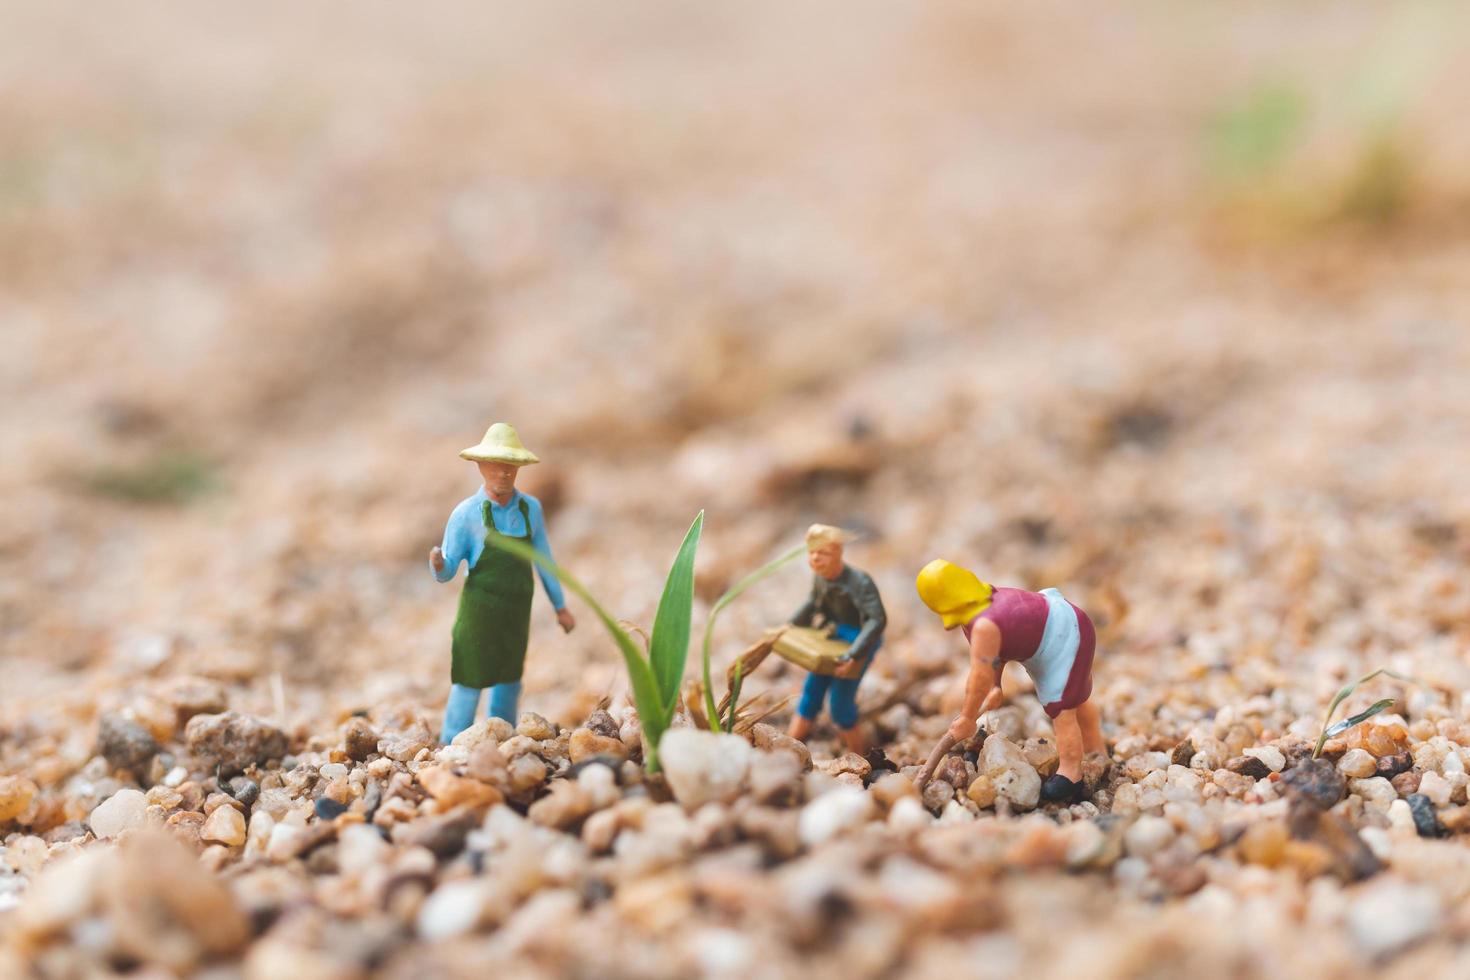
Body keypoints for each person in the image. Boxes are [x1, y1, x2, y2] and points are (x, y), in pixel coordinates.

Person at [430, 422, 575, 744]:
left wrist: (560, 605)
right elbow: (449, 568)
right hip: (479, 613)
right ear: (481, 467)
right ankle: (452, 740)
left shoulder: (530, 510)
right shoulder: (466, 514)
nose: (503, 475)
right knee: (469, 678)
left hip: (516, 610)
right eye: (496, 468)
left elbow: (545, 560)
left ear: (519, 469)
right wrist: (439, 564)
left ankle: (505, 736)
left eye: (509, 468)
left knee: (509, 679)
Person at [915, 558, 1103, 803]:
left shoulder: (983, 625)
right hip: (1044, 635)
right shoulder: (974, 615)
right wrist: (996, 685)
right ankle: (1096, 746)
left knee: (1062, 705)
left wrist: (967, 717)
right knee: (1072, 693)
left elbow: (978, 674)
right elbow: (993, 655)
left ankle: (1072, 773)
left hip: (1062, 633)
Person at [786, 524, 886, 754]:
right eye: (812, 552)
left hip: (860, 639)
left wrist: (855, 654)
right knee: (812, 690)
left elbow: (876, 620)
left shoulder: (860, 582)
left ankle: (861, 757)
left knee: (840, 703)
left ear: (838, 553)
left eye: (823, 553)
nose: (816, 558)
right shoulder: (821, 578)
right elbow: (813, 602)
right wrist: (790, 626)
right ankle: (789, 746)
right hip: (833, 635)